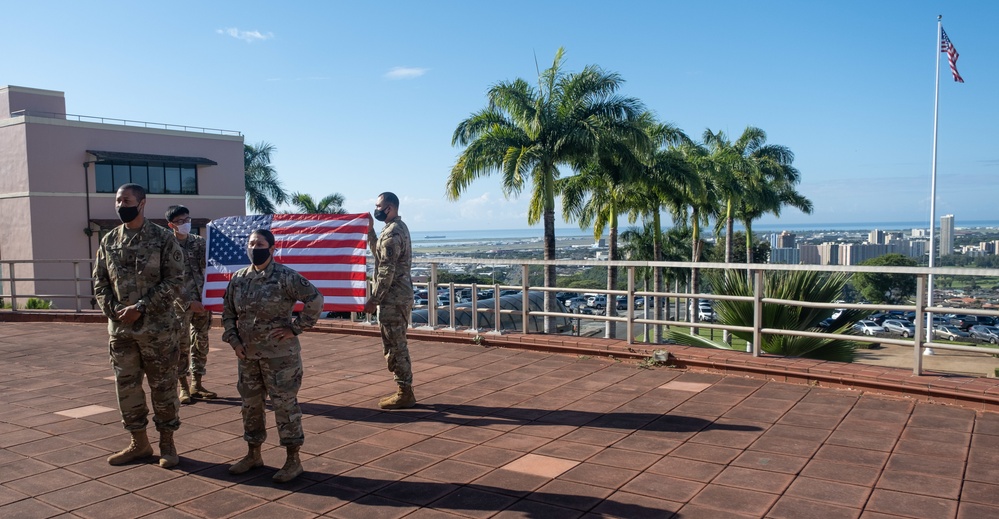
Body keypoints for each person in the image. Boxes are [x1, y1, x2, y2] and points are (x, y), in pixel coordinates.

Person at [93, 183, 185, 468]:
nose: (121, 205)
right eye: (118, 200)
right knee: (127, 387)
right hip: (121, 332)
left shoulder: (162, 238)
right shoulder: (109, 240)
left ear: (142, 203)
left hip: (157, 331)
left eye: (127, 200)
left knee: (163, 387)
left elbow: (175, 280)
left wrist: (142, 307)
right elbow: (99, 282)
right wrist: (116, 311)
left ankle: (167, 443)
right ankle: (139, 443)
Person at [222, 229, 323, 483]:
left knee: (285, 407)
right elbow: (228, 314)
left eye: (260, 243)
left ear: (272, 248)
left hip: (280, 358)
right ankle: (253, 454)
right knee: (250, 407)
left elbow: (315, 299)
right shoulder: (238, 278)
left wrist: (295, 328)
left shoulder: (285, 276)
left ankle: (293, 459)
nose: (254, 247)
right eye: (251, 243)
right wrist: (234, 342)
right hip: (247, 357)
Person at [363, 192, 415, 409]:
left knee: (395, 346)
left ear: (390, 207)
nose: (376, 210)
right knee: (395, 343)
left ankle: (405, 392)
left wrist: (374, 299)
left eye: (379, 206)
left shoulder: (393, 233)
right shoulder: (393, 228)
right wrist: (370, 232)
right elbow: (379, 254)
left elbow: (386, 270)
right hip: (395, 298)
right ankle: (404, 389)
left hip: (393, 300)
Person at [165, 205, 216, 404]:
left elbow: (213, 266)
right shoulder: (167, 246)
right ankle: (183, 387)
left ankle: (197, 382)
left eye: (187, 219)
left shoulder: (199, 243)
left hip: (203, 302)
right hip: (180, 305)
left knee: (201, 343)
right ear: (171, 225)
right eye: (180, 221)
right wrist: (187, 302)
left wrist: (210, 297)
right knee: (182, 346)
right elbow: (167, 279)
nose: (186, 224)